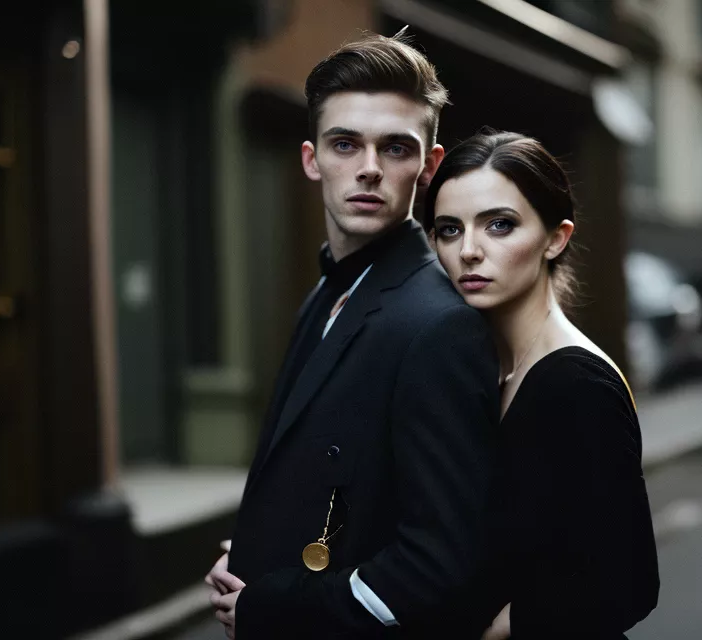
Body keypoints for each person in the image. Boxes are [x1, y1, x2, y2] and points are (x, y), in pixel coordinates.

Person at [205, 31, 500, 640]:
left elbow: (438, 560)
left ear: (430, 166)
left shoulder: (440, 324)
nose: (369, 168)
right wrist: (256, 555)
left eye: (395, 147)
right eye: (346, 144)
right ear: (313, 159)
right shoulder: (325, 293)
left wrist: (280, 603)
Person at [422, 130, 660, 640]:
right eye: (448, 230)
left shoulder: (577, 383)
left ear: (556, 237)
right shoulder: (484, 370)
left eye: (499, 225)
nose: (468, 251)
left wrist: (503, 627)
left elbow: (628, 584)